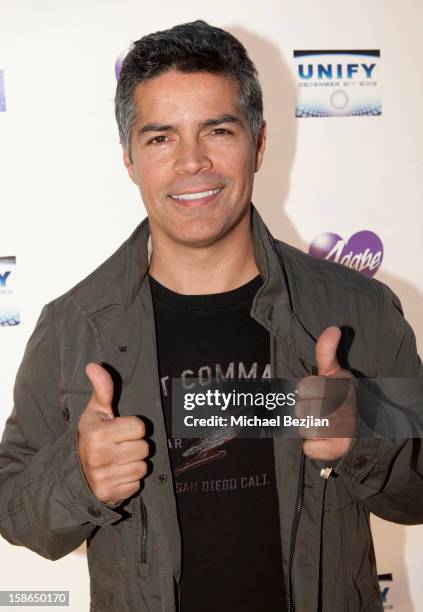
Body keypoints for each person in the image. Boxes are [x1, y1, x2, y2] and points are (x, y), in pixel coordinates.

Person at [0, 19, 422, 612]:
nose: (192, 162)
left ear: (259, 142)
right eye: (160, 138)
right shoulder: (73, 327)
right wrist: (78, 477)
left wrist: (363, 438)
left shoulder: (356, 310)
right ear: (128, 159)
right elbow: (14, 509)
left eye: (217, 130)